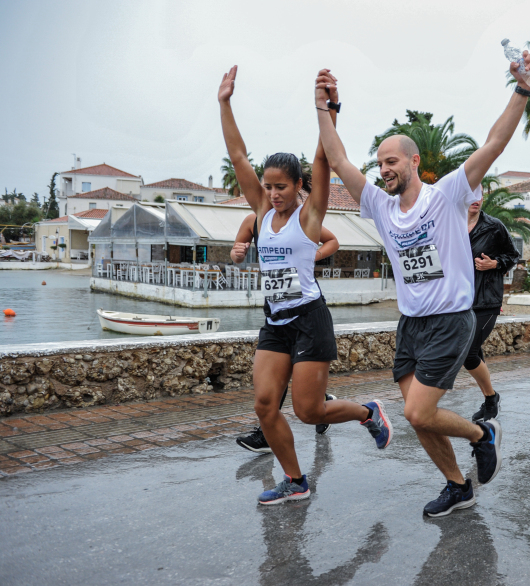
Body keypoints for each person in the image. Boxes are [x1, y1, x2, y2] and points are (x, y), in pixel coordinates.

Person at [314, 55, 530, 517]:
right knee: (421, 419)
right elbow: (336, 159)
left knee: (417, 412)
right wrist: (324, 107)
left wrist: (522, 89)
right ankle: (458, 486)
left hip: (451, 320)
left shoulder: (448, 195)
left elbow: (494, 144)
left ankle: (482, 434)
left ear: (414, 161)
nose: (384, 170)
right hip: (411, 325)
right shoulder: (379, 206)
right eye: (380, 163)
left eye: (392, 161)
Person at [219, 66, 392, 506]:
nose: (273, 194)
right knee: (264, 405)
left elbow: (323, 159)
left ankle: (368, 412)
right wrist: (225, 102)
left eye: (281, 187)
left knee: (309, 410)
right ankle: (295, 480)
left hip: (310, 320)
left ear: (298, 186)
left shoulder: (309, 215)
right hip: (276, 322)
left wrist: (326, 108)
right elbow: (238, 157)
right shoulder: (261, 213)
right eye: (268, 187)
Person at [230, 212, 342, 448]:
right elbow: (236, 253)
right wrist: (237, 254)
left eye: (278, 191)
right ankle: (270, 432)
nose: (273, 195)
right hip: (276, 310)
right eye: (267, 191)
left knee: (296, 385)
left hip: (305, 309)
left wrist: (314, 255)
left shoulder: (298, 219)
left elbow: (333, 240)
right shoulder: (253, 221)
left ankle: (320, 406)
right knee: (274, 379)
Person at [466, 197, 520, 423]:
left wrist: (494, 264)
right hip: (459, 302)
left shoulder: (493, 226)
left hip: (487, 301)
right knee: (474, 353)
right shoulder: (450, 223)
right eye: (470, 193)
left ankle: (491, 398)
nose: (475, 199)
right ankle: (489, 399)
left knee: (468, 353)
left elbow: (513, 255)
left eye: (478, 194)